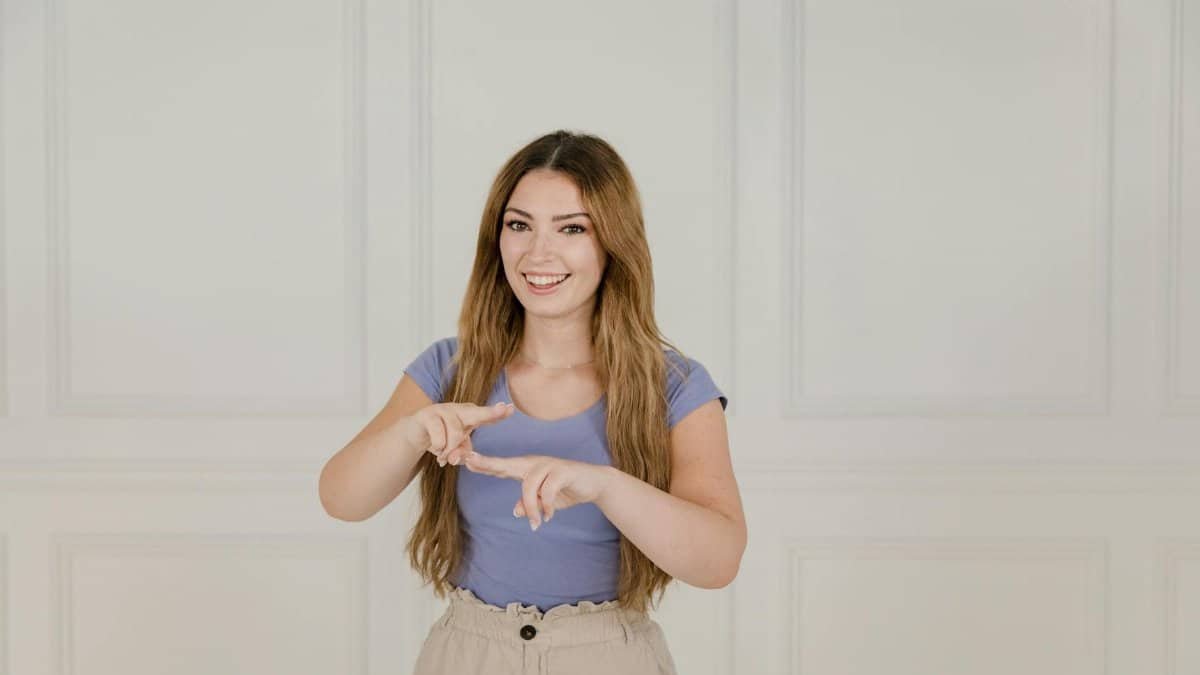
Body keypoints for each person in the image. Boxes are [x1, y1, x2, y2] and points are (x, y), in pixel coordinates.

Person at [318, 130, 747, 675]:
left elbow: (719, 560)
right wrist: (412, 433)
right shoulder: (449, 368)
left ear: (612, 242)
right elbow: (340, 499)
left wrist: (602, 484)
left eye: (571, 228)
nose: (538, 253)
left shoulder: (676, 385)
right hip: (468, 654)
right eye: (519, 225)